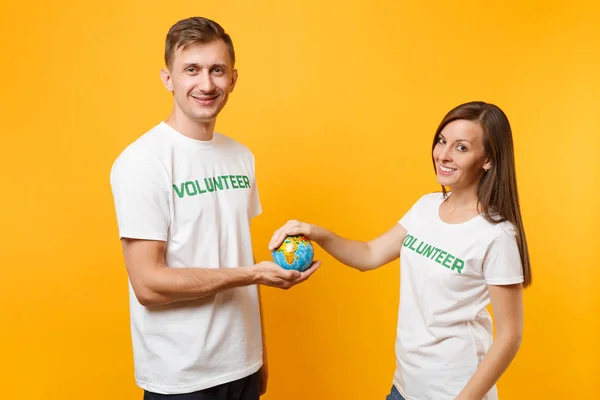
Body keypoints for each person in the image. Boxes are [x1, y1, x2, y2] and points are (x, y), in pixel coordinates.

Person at [109, 16, 319, 400]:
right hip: (182, 378)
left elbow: (236, 250)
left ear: (233, 79)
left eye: (217, 70)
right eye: (192, 70)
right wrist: (252, 274)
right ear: (168, 78)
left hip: (243, 367)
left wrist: (259, 352)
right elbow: (148, 285)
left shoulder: (240, 157)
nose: (206, 84)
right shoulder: (143, 162)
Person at [269, 101, 531, 400]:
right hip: (404, 388)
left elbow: (510, 335)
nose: (443, 155)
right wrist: (316, 233)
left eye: (461, 148)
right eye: (442, 141)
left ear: (487, 159)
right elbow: (369, 255)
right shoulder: (426, 207)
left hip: (454, 392)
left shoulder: (496, 235)